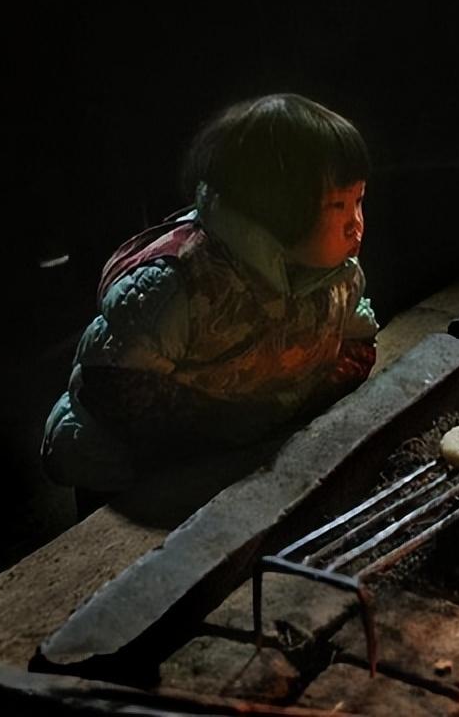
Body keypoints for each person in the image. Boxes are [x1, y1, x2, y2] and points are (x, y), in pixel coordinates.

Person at [40, 94, 378, 501]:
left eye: (358, 200)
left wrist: (302, 400)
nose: (354, 224)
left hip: (235, 462)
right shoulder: (179, 282)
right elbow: (113, 388)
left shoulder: (337, 275)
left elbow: (358, 338)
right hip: (127, 469)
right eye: (337, 205)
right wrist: (231, 427)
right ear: (277, 205)